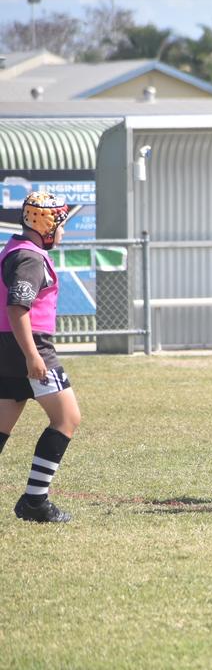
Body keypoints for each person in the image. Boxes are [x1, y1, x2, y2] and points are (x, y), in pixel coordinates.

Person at [0, 192, 81, 523]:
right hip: (30, 347)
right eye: (61, 226)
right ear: (46, 224)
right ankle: (35, 502)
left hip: (8, 348)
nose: (62, 233)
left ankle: (35, 502)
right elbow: (18, 308)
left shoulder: (15, 248)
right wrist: (33, 358)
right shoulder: (30, 258)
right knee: (67, 419)